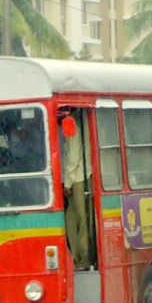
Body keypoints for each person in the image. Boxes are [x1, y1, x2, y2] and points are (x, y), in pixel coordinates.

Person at [63, 110, 93, 270]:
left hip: (77, 178)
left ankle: (81, 257)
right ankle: (78, 256)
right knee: (76, 218)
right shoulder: (82, 120)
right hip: (82, 175)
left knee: (78, 219)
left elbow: (73, 156)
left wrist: (67, 182)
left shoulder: (71, 123)